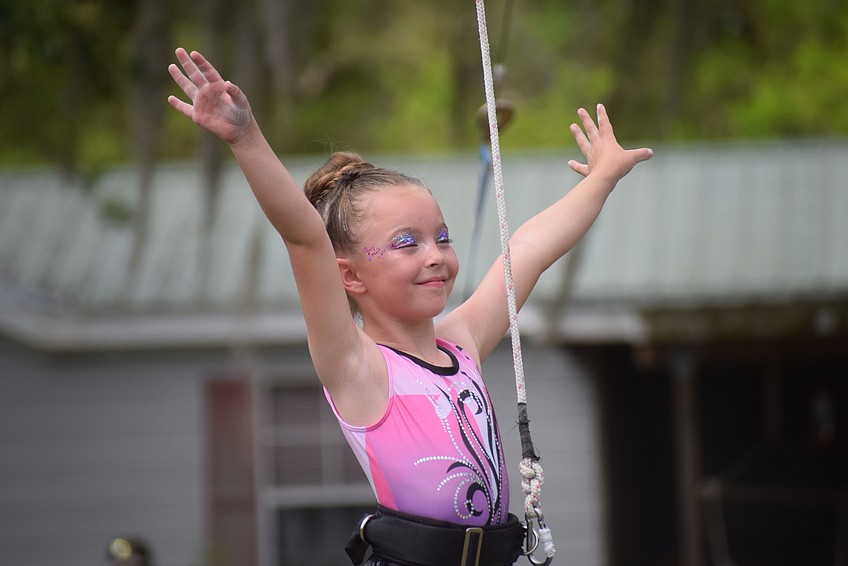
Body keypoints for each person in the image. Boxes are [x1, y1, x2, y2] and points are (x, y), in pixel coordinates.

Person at [168, 47, 652, 566]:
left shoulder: (461, 342)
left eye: (441, 238)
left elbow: (526, 251)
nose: (435, 256)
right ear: (350, 275)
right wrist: (245, 138)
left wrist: (601, 178)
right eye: (407, 243)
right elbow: (306, 238)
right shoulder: (357, 367)